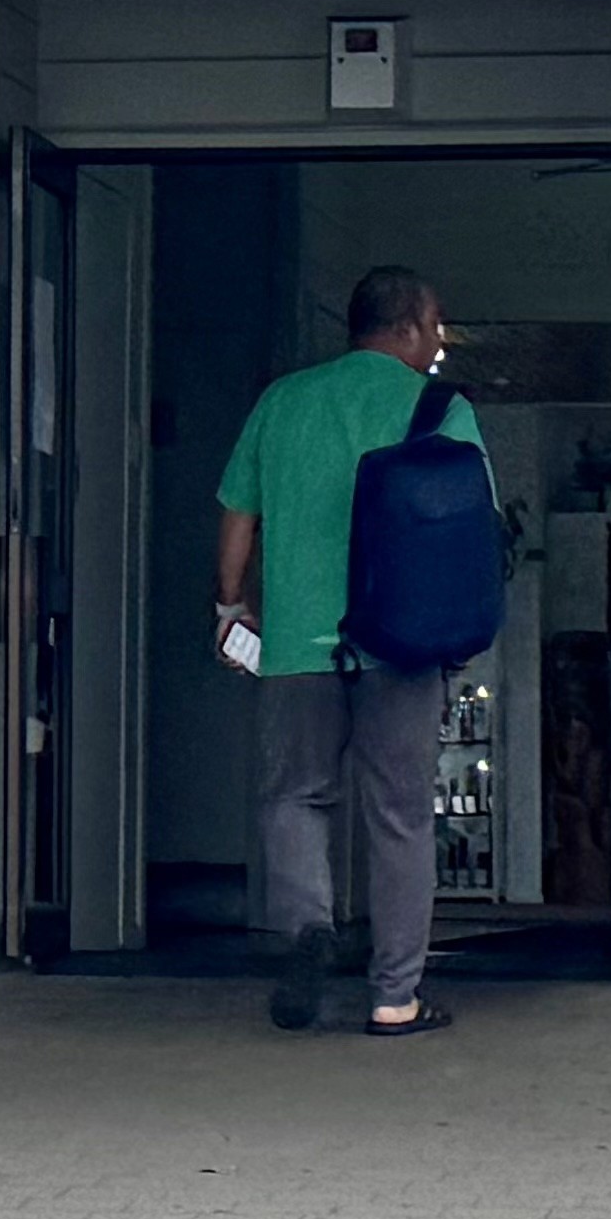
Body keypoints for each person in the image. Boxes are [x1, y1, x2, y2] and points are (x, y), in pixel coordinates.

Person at [213, 264, 487, 1037]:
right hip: (400, 641)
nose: (437, 342)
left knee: (293, 795)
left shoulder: (283, 400)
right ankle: (393, 996)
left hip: (297, 641)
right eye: (434, 326)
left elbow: (238, 513)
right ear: (404, 325)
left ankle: (306, 927)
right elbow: (472, 527)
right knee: (398, 816)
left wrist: (231, 603)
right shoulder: (440, 407)